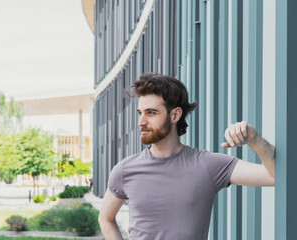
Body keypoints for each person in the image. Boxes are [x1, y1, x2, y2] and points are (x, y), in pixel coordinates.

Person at [98, 73, 275, 240]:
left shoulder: (208, 165)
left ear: (175, 114)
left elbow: (274, 177)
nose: (141, 122)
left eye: (151, 113)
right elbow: (105, 218)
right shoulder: (125, 170)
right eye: (140, 113)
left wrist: (254, 139)